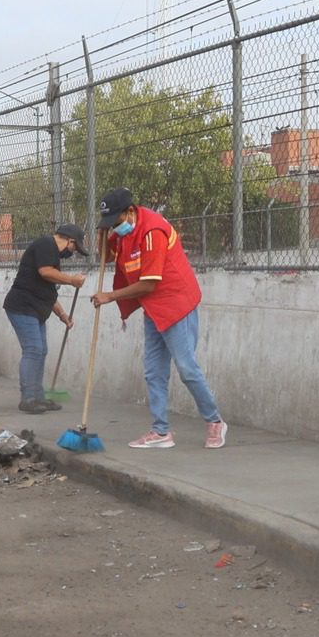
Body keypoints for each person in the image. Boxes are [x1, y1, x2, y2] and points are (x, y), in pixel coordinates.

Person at [91, 187, 226, 450]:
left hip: (176, 304)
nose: (114, 228)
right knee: (154, 370)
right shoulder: (123, 230)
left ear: (130, 212)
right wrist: (102, 233)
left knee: (186, 368)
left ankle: (215, 421)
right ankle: (161, 431)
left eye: (115, 222)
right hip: (153, 308)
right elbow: (105, 258)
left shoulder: (152, 231)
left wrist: (110, 296)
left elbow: (149, 284)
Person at [3, 223, 87, 414]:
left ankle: (38, 397)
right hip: (22, 307)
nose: (73, 252)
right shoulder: (45, 245)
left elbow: (49, 292)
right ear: (70, 241)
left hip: (35, 309)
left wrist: (63, 315)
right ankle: (28, 398)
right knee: (33, 349)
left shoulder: (52, 256)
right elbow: (45, 273)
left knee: (41, 350)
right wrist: (71, 280)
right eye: (75, 248)